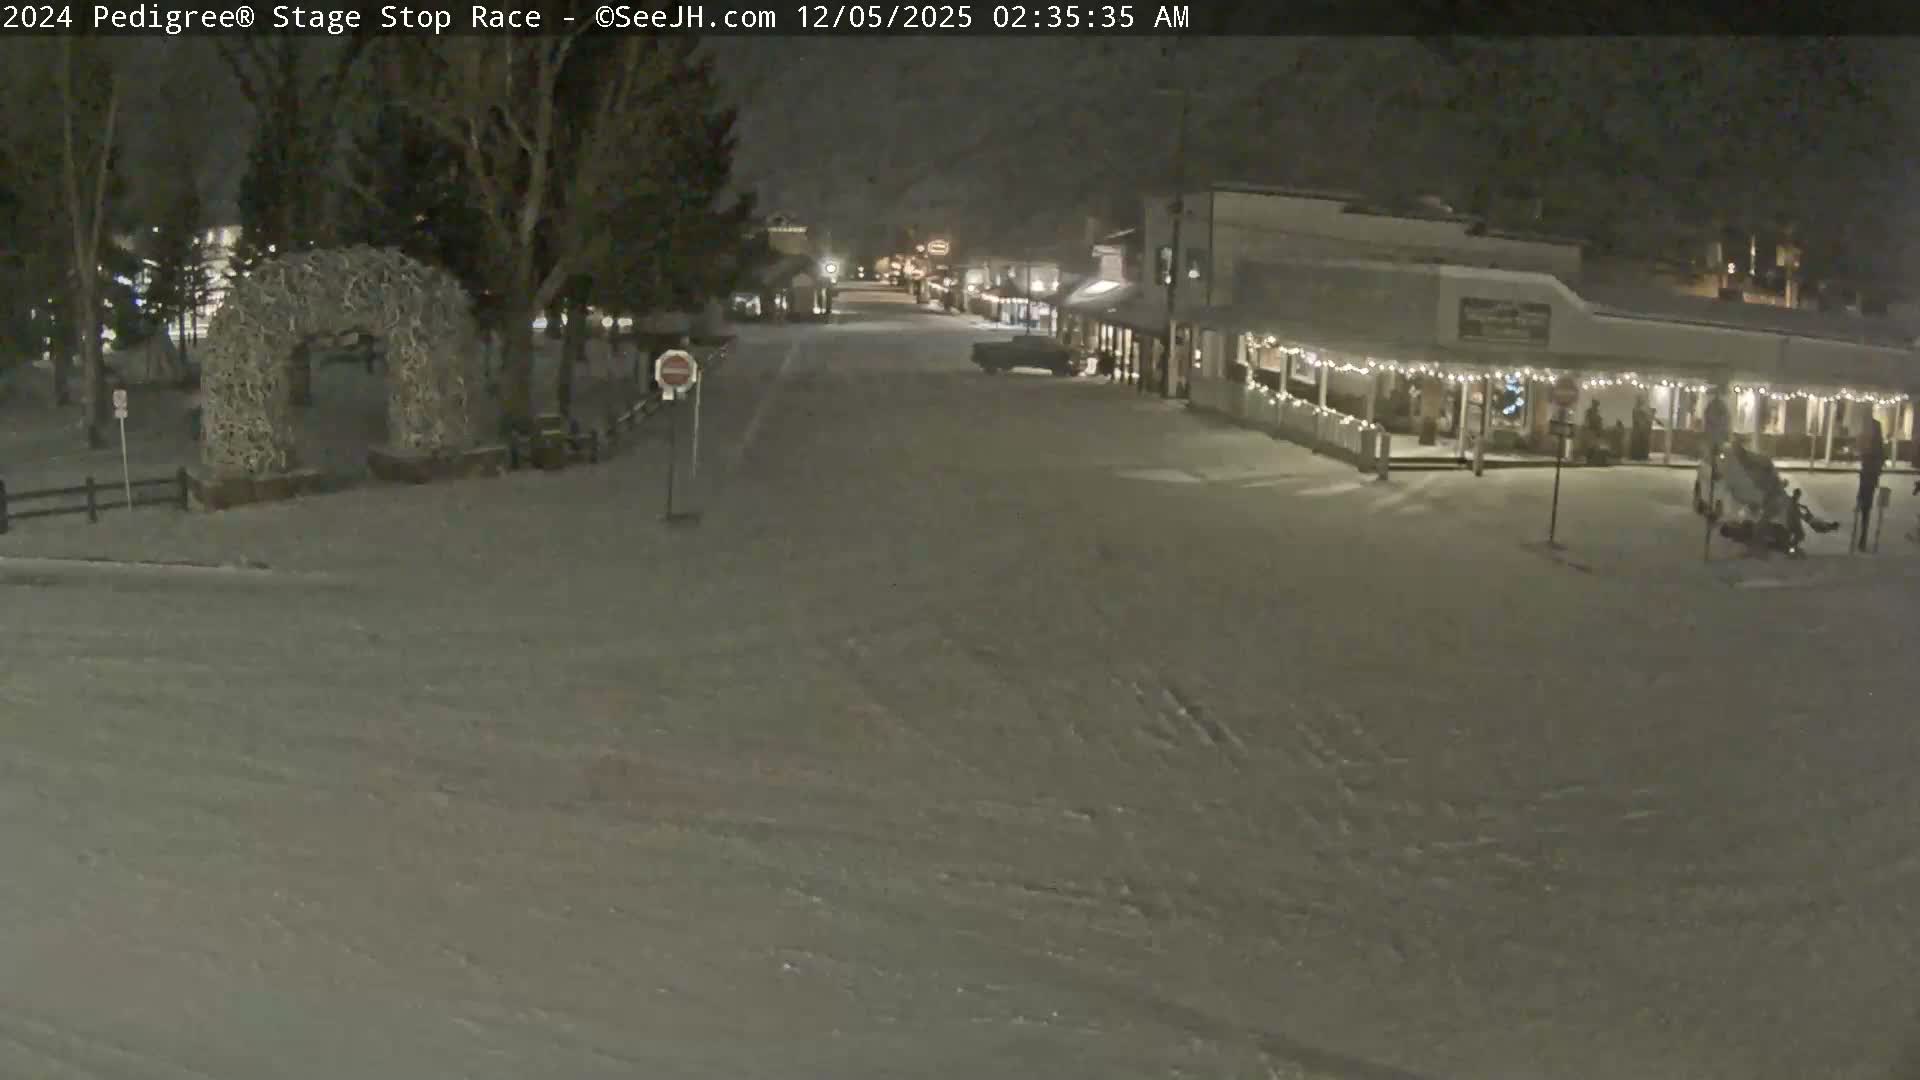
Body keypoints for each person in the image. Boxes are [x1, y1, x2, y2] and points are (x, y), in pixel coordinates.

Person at [1857, 418, 1886, 551]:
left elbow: (1875, 465)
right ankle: (1862, 537)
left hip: (1868, 479)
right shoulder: (1872, 445)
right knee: (1864, 508)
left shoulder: (1874, 448)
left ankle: (1863, 537)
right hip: (1867, 479)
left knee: (1865, 508)